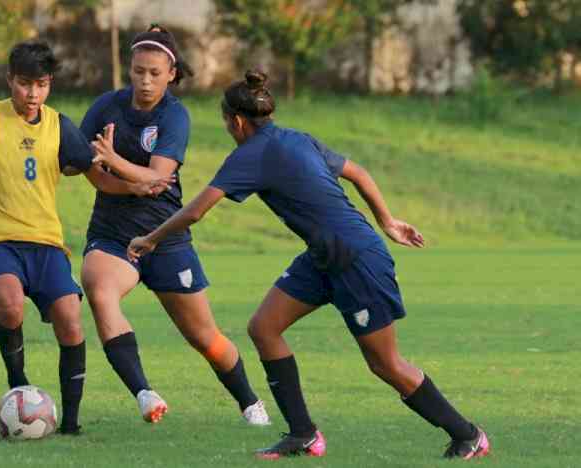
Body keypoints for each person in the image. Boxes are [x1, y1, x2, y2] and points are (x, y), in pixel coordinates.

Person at [128, 70, 491, 460]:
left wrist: (151, 238)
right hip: (322, 258)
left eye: (226, 123)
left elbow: (197, 210)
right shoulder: (297, 138)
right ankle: (303, 434)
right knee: (264, 328)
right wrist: (387, 220)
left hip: (356, 259)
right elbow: (359, 173)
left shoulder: (250, 154)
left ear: (235, 121)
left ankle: (468, 434)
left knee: (385, 364)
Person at [0, 41, 169, 435]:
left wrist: (133, 188)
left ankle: (70, 423)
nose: (32, 94)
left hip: (46, 243)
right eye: (24, 84)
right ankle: (18, 385)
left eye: (41, 85)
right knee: (11, 304)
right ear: (9, 80)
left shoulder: (59, 125)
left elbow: (96, 176)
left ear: (49, 84)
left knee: (71, 321)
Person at [79, 25, 270, 426]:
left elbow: (156, 177)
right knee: (99, 292)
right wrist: (121, 181)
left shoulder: (175, 116)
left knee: (205, 337)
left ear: (171, 74)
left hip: (165, 238)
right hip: (113, 235)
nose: (144, 81)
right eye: (137, 71)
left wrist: (113, 161)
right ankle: (144, 392)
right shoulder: (105, 107)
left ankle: (251, 403)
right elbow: (86, 167)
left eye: (153, 73)